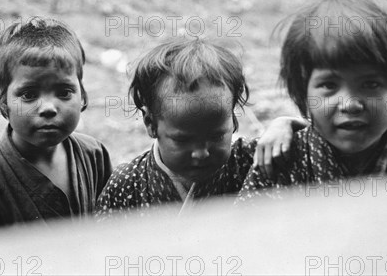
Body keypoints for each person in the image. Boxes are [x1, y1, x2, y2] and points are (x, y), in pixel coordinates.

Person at [239, 0, 387, 200]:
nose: (350, 104)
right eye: (329, 85)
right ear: (303, 93)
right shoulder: (278, 165)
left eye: (371, 84)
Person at [0, 17, 112, 242]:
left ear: (83, 95)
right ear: (3, 100)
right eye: (29, 94)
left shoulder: (94, 156)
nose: (48, 107)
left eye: (64, 92)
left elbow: (110, 233)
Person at [95, 38, 298, 217]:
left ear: (232, 120)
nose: (201, 153)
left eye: (217, 136)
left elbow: (316, 145)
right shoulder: (126, 185)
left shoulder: (253, 159)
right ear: (151, 124)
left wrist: (286, 125)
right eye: (182, 140)